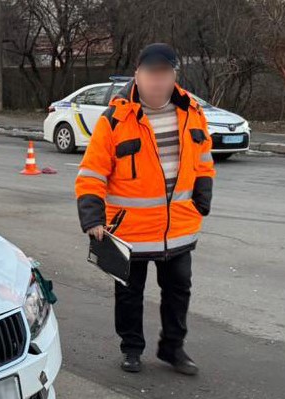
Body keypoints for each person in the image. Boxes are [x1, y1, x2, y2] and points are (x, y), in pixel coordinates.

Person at [74, 42, 215, 375]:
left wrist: (203, 196)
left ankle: (173, 348)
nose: (157, 81)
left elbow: (204, 160)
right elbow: (92, 173)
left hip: (178, 228)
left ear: (174, 76)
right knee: (129, 294)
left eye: (164, 73)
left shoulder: (192, 112)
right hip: (130, 230)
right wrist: (92, 217)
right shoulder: (115, 119)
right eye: (151, 73)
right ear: (137, 75)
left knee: (178, 291)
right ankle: (131, 348)